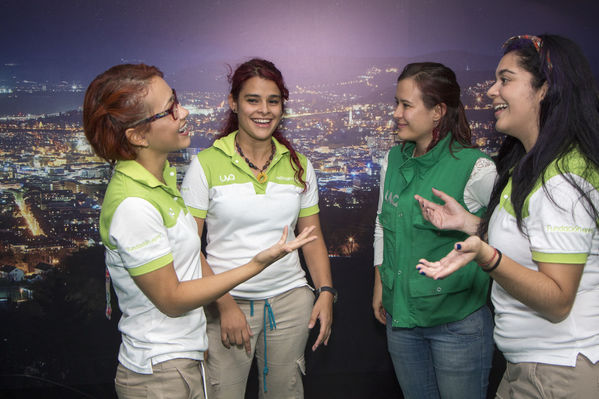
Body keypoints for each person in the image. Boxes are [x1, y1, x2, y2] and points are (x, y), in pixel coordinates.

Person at [83, 63, 317, 399]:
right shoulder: (134, 204)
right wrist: (256, 264)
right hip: (159, 370)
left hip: (181, 362)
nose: (184, 112)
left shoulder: (161, 179)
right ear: (136, 135)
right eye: (170, 110)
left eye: (176, 101)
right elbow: (173, 299)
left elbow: (188, 258)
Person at [416, 35, 599, 399]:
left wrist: (488, 257)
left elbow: (557, 299)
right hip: (531, 367)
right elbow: (531, 237)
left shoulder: (563, 179)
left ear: (545, 89)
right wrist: (468, 224)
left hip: (559, 370)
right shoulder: (532, 165)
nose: (490, 91)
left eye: (505, 79)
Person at [181, 58, 334, 398]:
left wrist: (325, 291)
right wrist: (224, 304)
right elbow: (188, 246)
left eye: (273, 100)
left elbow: (312, 237)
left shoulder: (299, 165)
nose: (264, 110)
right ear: (233, 103)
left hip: (291, 303)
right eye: (253, 100)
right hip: (227, 302)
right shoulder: (205, 165)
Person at [372, 62, 497, 399]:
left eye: (406, 105)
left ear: (438, 111)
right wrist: (380, 282)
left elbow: (510, 234)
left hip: (458, 325)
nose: (396, 113)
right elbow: (383, 224)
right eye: (396, 103)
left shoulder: (477, 168)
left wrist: (469, 223)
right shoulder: (393, 161)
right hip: (402, 321)